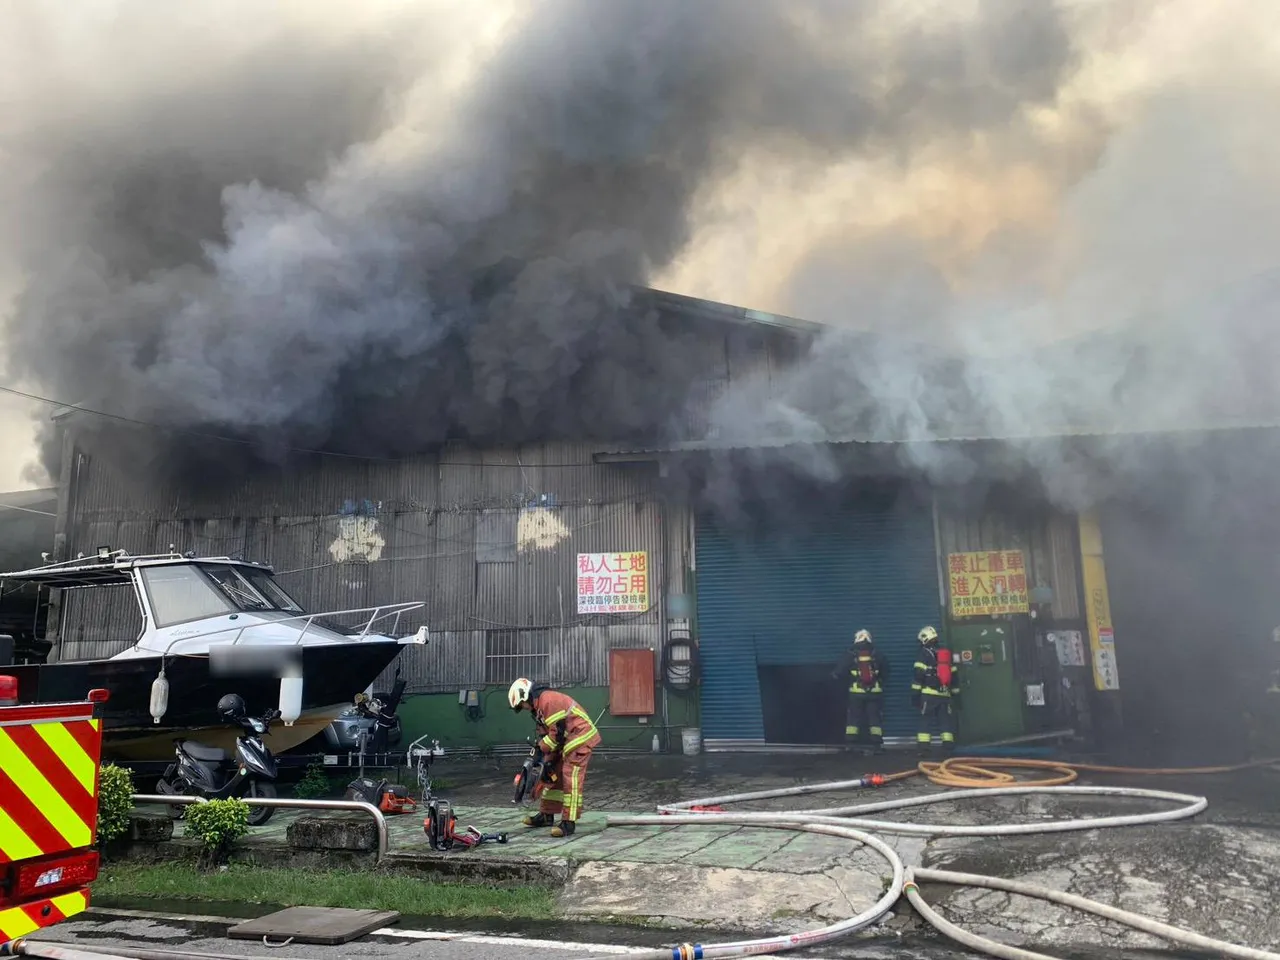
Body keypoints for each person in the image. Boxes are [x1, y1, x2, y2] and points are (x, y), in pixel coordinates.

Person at [507, 677, 601, 837]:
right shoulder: (538, 708)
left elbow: (556, 733)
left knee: (570, 775)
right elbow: (547, 735)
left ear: (525, 696)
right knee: (551, 775)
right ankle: (546, 815)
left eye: (521, 704)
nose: (523, 708)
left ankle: (568, 823)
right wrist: (545, 760)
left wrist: (542, 750)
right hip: (568, 738)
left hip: (580, 737)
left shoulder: (548, 700)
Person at [832, 629, 890, 754]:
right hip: (875, 692)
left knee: (854, 718)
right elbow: (886, 672)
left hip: (856, 692)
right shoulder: (877, 653)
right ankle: (876, 746)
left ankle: (850, 745)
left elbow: (839, 672)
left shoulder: (851, 653)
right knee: (874, 718)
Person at [912, 625, 959, 755]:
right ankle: (948, 747)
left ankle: (924, 748)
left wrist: (915, 695)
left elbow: (918, 676)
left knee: (925, 721)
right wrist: (955, 694)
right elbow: (954, 675)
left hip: (928, 694)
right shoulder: (945, 653)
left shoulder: (923, 654)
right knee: (945, 721)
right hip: (945, 694)